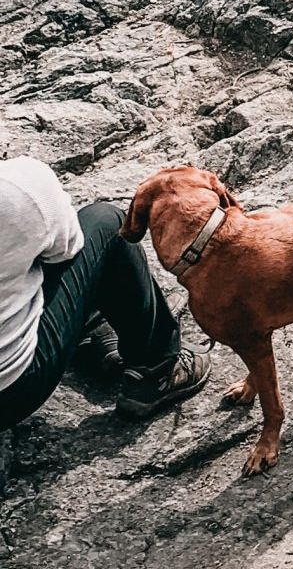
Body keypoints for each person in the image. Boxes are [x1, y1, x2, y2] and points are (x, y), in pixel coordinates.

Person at [0, 155, 210, 432]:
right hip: (13, 393)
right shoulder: (18, 186)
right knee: (105, 223)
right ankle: (157, 367)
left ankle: (95, 328)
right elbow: (66, 252)